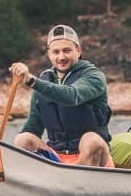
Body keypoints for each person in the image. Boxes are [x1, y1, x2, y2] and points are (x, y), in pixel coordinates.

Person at [9, 24, 113, 167]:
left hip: (93, 158)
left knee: (92, 140)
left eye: (67, 51)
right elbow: (32, 128)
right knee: (23, 139)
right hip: (58, 159)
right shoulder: (44, 80)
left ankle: (76, 178)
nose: (61, 57)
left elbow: (72, 96)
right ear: (49, 54)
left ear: (78, 50)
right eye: (56, 52)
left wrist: (32, 81)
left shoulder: (94, 76)